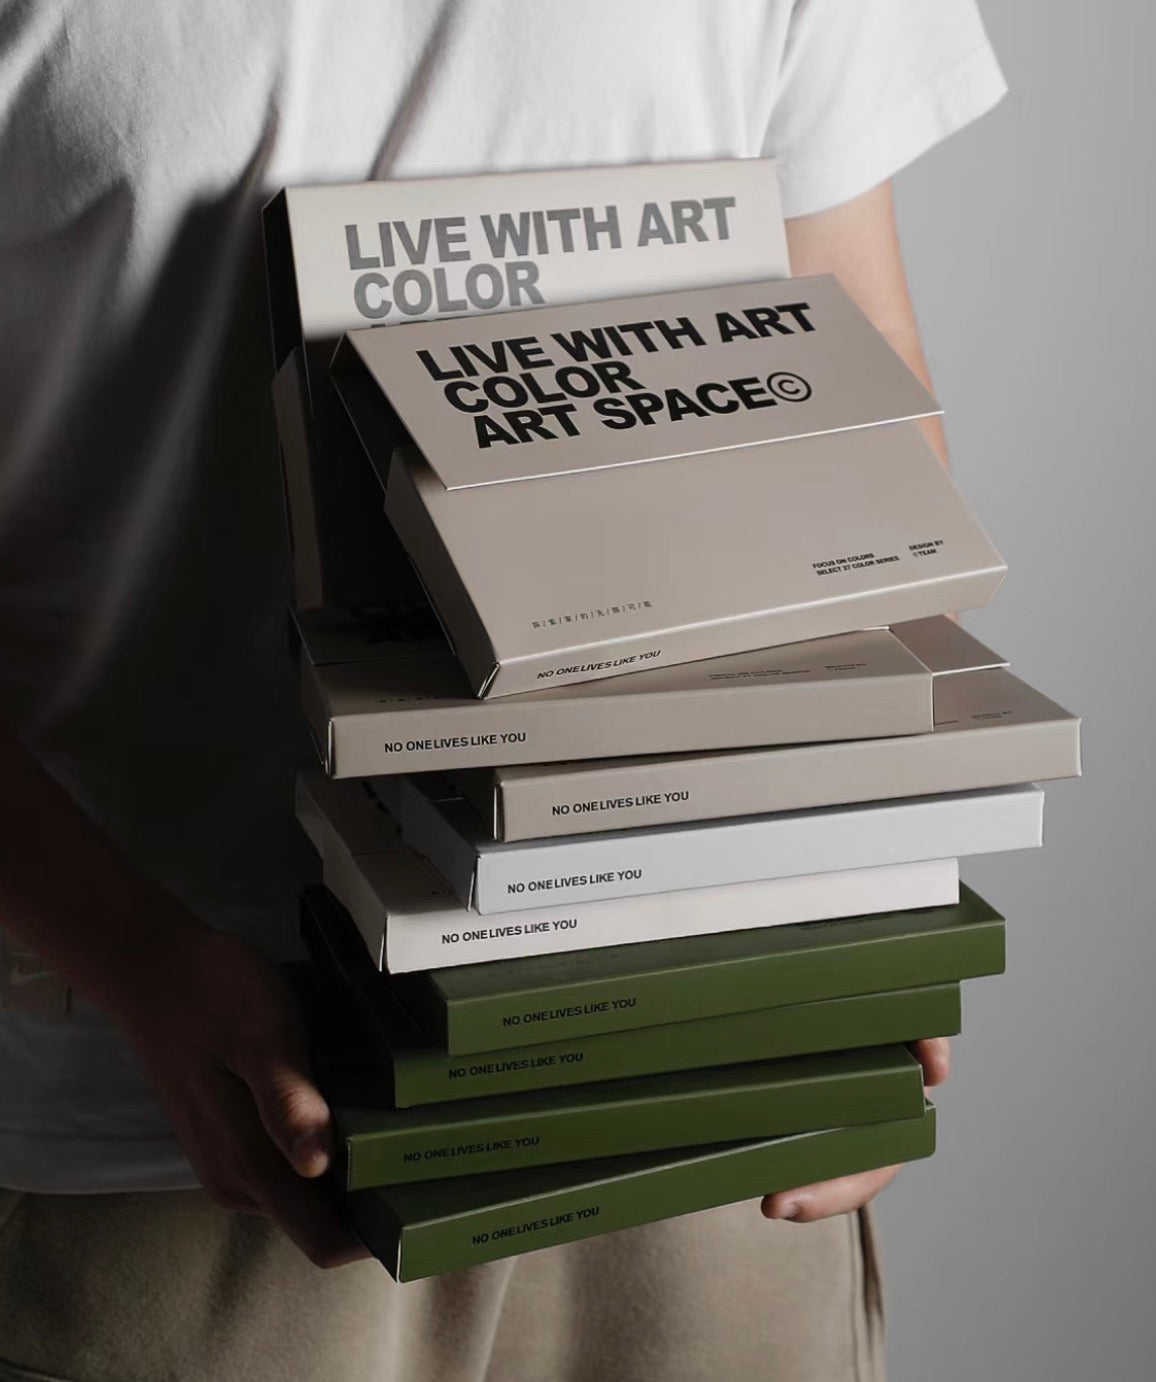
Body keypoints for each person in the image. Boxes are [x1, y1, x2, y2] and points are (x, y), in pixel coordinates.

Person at [0, 3, 1004, 1379]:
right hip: (196, 1129)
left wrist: (861, 897)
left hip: (711, 1066)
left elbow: (868, 379)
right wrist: (146, 971)